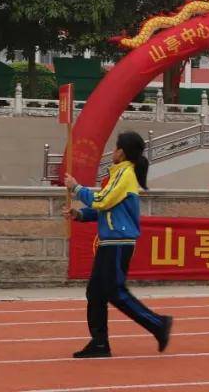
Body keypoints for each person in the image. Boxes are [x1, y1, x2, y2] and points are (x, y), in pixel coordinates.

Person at [63, 131, 173, 359]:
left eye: (115, 147)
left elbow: (103, 200)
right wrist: (80, 214)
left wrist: (76, 188)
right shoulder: (119, 174)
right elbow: (106, 206)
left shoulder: (125, 173)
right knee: (95, 293)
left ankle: (158, 324)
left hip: (118, 242)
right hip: (110, 241)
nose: (112, 151)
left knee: (115, 291)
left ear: (122, 151)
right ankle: (100, 343)